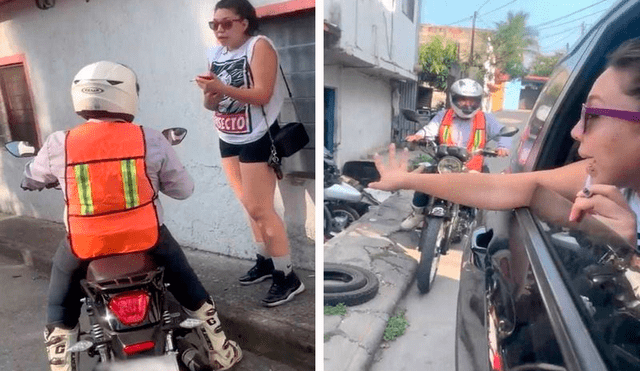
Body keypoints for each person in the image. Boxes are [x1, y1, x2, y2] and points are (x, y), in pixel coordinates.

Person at [23, 61, 242, 371]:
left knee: (60, 299)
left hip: (85, 243)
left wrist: (35, 180)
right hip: (148, 237)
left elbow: (31, 178)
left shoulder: (60, 143)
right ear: (126, 95)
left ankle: (61, 365)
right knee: (186, 281)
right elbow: (183, 190)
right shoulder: (150, 139)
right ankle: (221, 351)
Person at [371, 38, 640, 251]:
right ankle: (418, 212)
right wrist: (406, 180)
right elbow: (500, 187)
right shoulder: (595, 178)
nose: (575, 131)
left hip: (473, 159)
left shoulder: (487, 118)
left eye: (593, 114)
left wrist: (629, 258)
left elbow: (501, 141)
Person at [195, 0, 304, 307]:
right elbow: (212, 104)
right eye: (214, 24)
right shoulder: (214, 54)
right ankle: (265, 261)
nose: (219, 30)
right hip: (227, 134)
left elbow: (262, 95)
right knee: (247, 204)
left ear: (244, 23)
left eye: (226, 23)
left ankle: (288, 276)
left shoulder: (260, 46)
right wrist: (209, 95)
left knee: (261, 208)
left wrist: (221, 87)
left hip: (258, 134)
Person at [399, 78, 512, 230]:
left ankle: (477, 222)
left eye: (472, 101)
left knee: (485, 194)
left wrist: (503, 147)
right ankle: (418, 213)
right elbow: (430, 129)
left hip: (474, 167)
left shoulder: (487, 118)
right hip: (445, 162)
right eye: (463, 100)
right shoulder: (443, 115)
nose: (467, 104)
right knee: (423, 180)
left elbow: (502, 133)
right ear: (453, 99)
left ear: (478, 101)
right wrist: (419, 136)